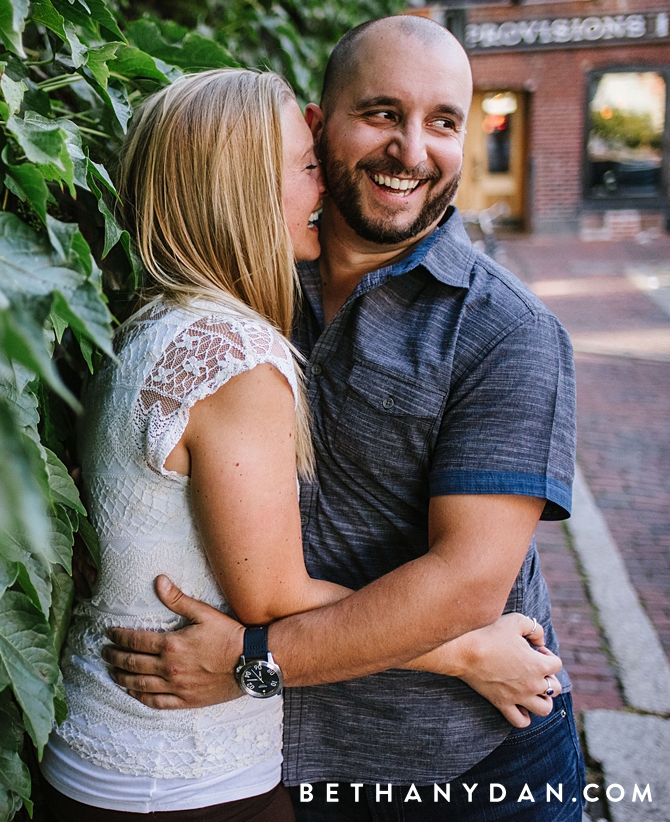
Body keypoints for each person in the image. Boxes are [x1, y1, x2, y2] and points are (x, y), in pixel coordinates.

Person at [41, 64, 561, 822]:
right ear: (246, 187)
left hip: (124, 747)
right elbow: (270, 593)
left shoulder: (148, 325)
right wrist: (470, 653)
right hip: (181, 772)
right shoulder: (238, 354)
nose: (321, 189)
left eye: (446, 122)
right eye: (307, 166)